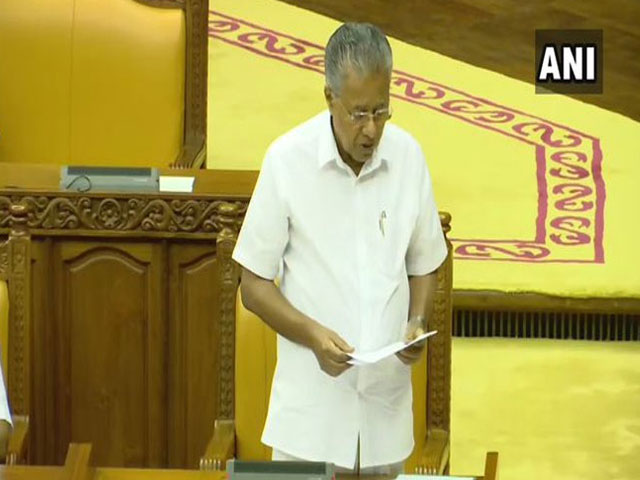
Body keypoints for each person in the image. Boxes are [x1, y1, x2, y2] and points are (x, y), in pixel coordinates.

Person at [232, 22, 447, 475]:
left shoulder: (409, 158)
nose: (371, 129)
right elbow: (253, 285)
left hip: (385, 419)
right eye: (358, 113)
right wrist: (313, 335)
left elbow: (425, 261)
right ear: (329, 96)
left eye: (382, 111)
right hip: (310, 423)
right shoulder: (286, 160)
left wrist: (417, 321)